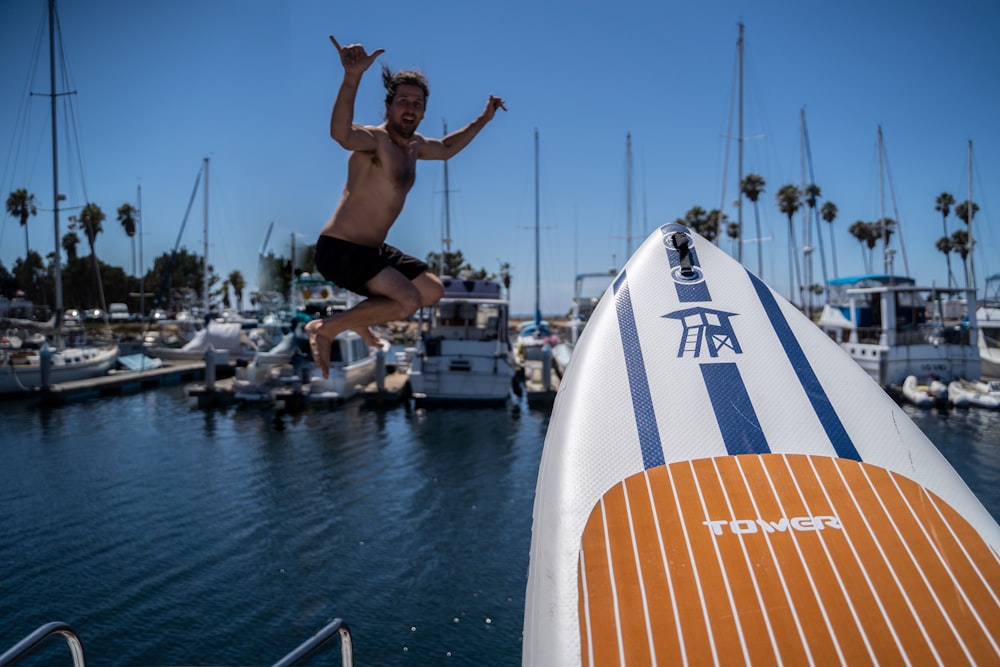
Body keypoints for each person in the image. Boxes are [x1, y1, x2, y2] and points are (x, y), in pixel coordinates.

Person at [305, 35, 506, 378]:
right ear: (388, 106)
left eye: (417, 103)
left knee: (432, 290)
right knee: (408, 301)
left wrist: (484, 118)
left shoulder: (414, 146)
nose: (410, 108)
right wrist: (352, 77)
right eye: (403, 101)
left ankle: (357, 323)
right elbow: (341, 134)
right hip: (341, 249)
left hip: (373, 250)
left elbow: (445, 147)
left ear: (424, 111)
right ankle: (324, 328)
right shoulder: (374, 141)